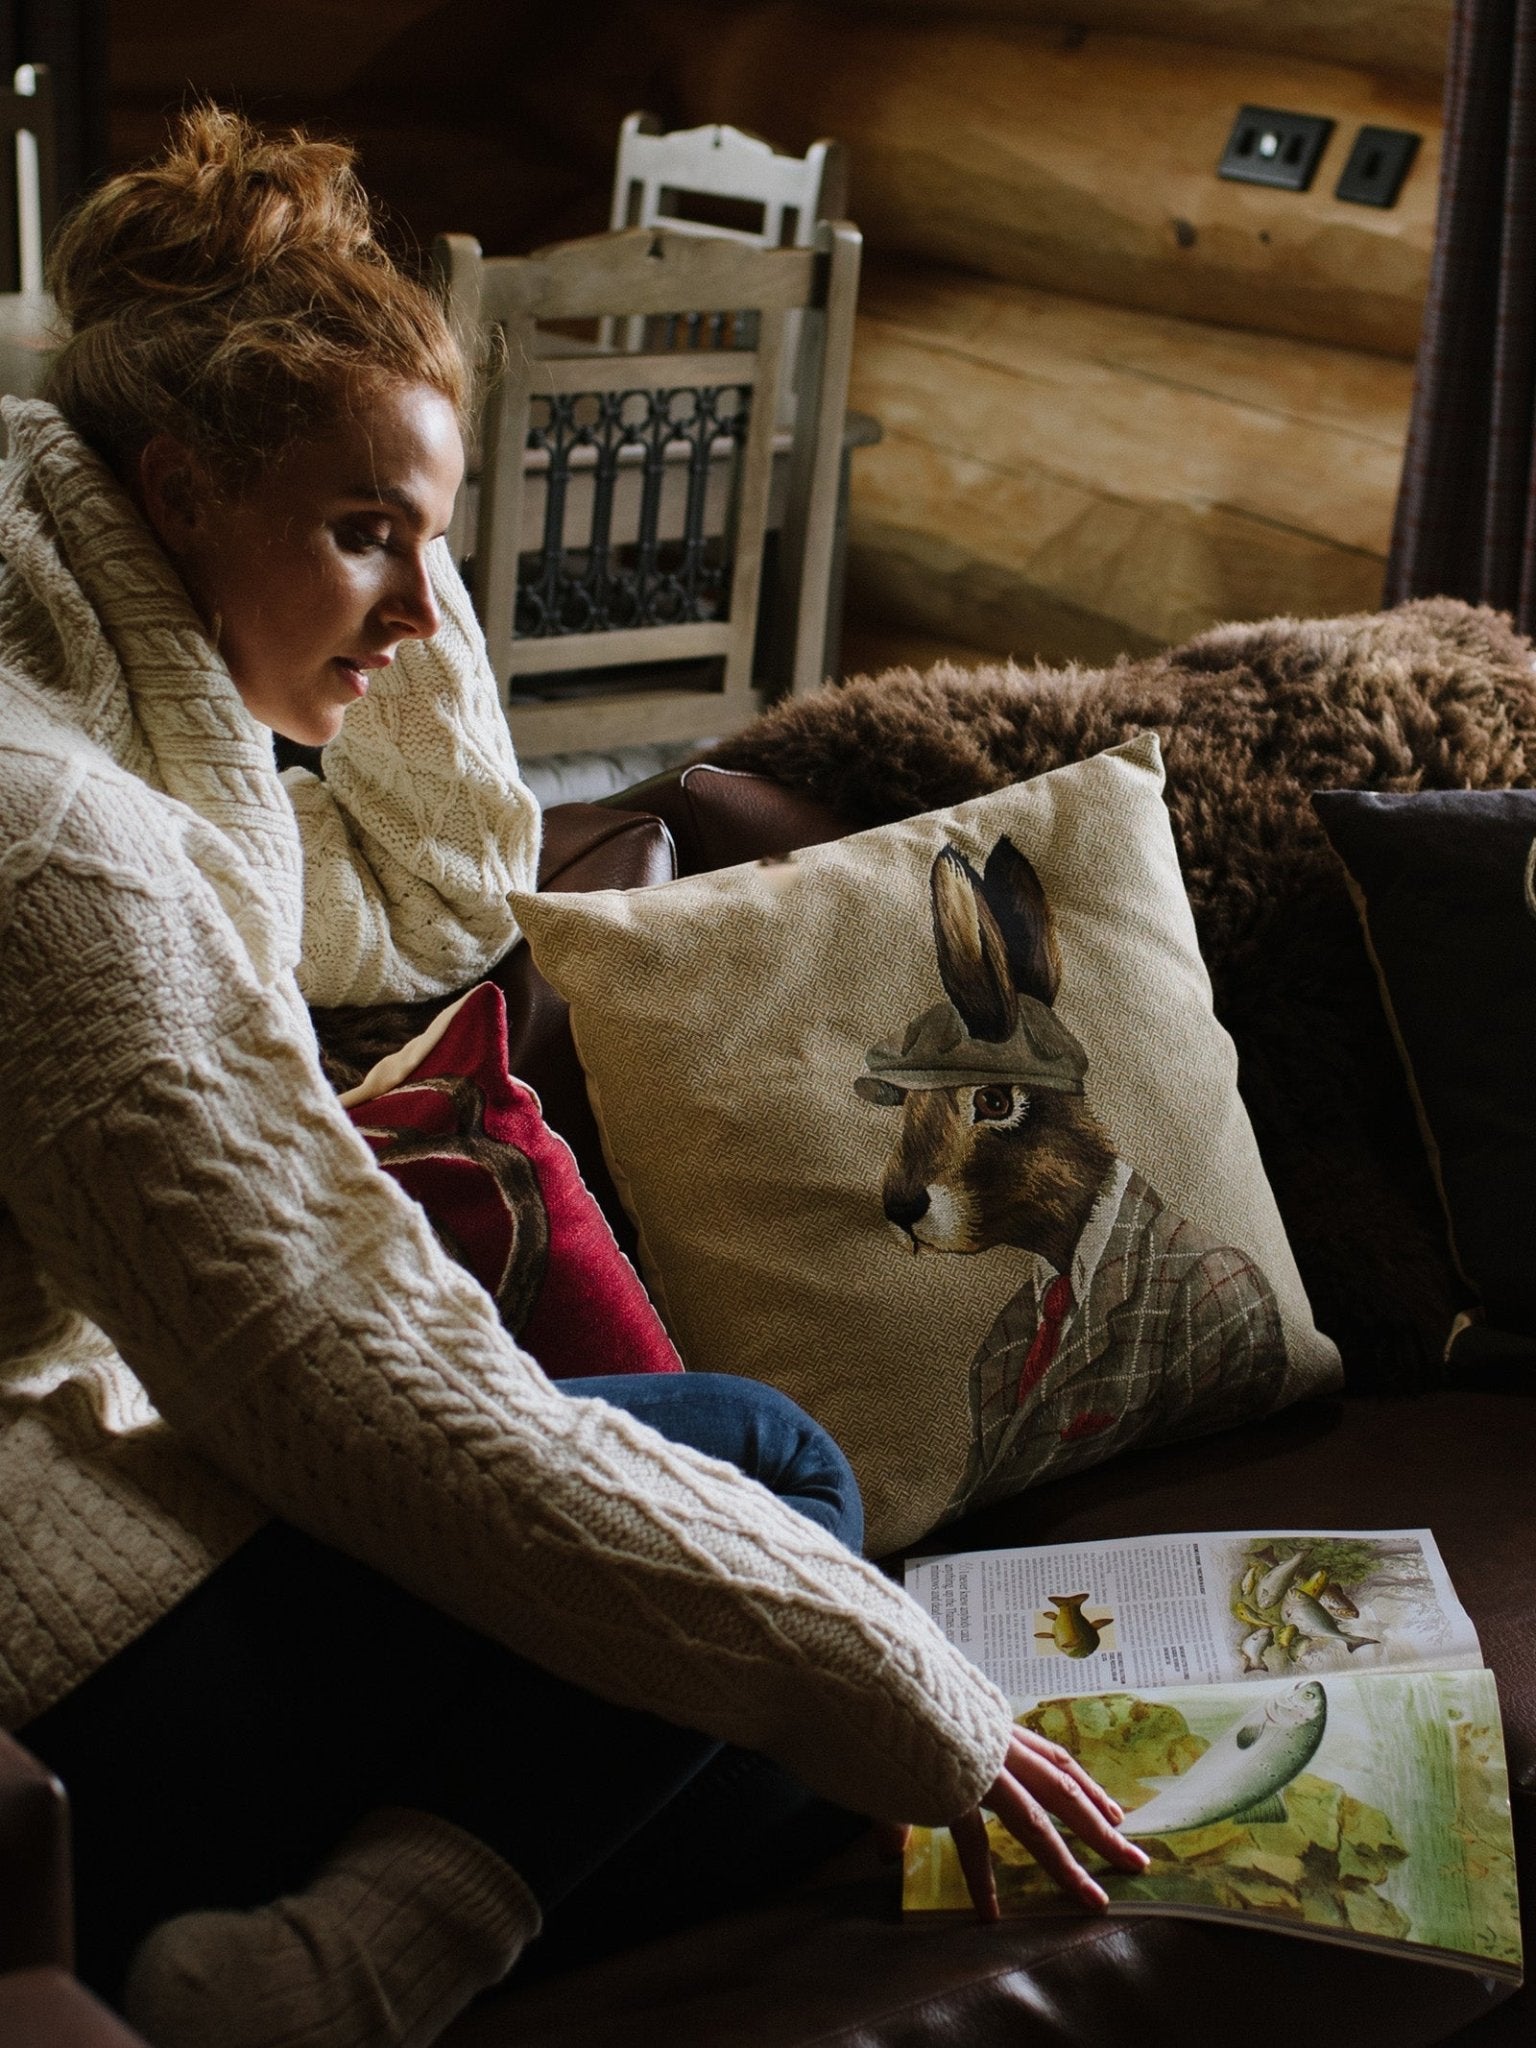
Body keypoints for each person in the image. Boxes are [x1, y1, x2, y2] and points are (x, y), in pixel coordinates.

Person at [0, 108, 1147, 2048]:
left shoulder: (131, 745)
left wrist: (392, 533)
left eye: (433, 548)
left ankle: (366, 1912)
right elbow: (338, 1370)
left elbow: (449, 892)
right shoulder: (62, 844)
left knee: (772, 1727)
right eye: (363, 536)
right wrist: (895, 1676)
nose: (407, 608)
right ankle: (317, 1988)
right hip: (63, 1701)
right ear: (178, 494)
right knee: (774, 1485)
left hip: (94, 1627)